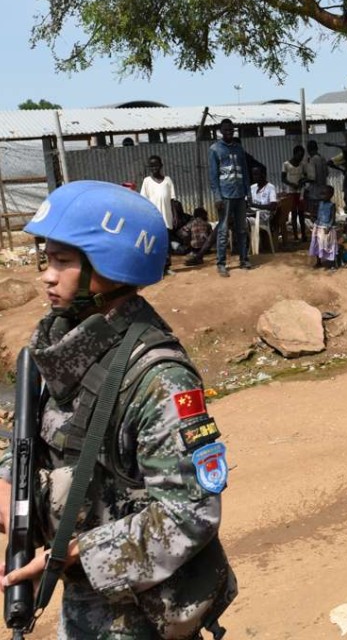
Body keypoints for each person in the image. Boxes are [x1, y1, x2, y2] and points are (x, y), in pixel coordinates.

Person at [0, 181, 236, 638]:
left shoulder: (159, 379)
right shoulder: (66, 344)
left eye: (63, 262)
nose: (47, 276)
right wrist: (9, 478)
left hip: (139, 611)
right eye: (46, 260)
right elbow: (44, 436)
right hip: (85, 600)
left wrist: (75, 554)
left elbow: (191, 512)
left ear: (110, 265)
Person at [209, 118, 251, 277]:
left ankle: (244, 259)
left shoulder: (239, 148)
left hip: (240, 194)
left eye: (231, 130)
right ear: (221, 131)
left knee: (242, 229)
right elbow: (213, 177)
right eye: (226, 130)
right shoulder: (214, 149)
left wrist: (249, 194)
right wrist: (217, 197)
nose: (229, 133)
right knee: (223, 230)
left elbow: (245, 172)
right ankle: (221, 263)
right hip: (225, 196)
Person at [139, 154, 176, 275]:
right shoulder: (147, 181)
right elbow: (143, 201)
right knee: (154, 243)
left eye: (156, 165)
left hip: (167, 217)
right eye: (151, 166)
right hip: (153, 219)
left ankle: (167, 266)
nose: (154, 168)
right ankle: (156, 269)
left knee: (166, 243)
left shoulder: (168, 181)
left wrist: (175, 216)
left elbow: (172, 200)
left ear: (161, 166)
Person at [280, 144, 307, 246]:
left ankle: (303, 234)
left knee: (301, 214)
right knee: (294, 214)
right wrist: (292, 184)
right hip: (290, 192)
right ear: (294, 154)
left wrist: (301, 182)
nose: (300, 158)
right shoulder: (286, 164)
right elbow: (283, 178)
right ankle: (296, 235)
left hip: (300, 192)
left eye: (302, 156)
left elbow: (305, 176)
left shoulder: (302, 165)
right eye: (299, 155)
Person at [309, 184, 339, 270]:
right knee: (317, 244)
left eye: (324, 194)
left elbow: (333, 219)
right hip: (318, 227)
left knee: (329, 245)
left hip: (326, 228)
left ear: (330, 195)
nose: (321, 196)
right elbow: (318, 214)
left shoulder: (332, 205)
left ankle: (333, 263)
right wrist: (313, 217)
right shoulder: (320, 203)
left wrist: (329, 227)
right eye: (321, 194)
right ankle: (318, 261)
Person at [249, 165, 279, 249]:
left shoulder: (270, 187)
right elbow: (247, 202)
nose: (254, 177)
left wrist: (254, 205)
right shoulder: (252, 188)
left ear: (263, 175)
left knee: (244, 222)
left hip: (263, 217)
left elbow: (273, 206)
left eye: (256, 174)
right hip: (252, 214)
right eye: (253, 174)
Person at [303, 140, 330, 230]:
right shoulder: (322, 158)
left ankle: (318, 233)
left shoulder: (312, 159)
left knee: (314, 215)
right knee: (323, 214)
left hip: (315, 193)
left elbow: (312, 177)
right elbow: (326, 173)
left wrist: (303, 179)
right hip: (324, 190)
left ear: (308, 149)